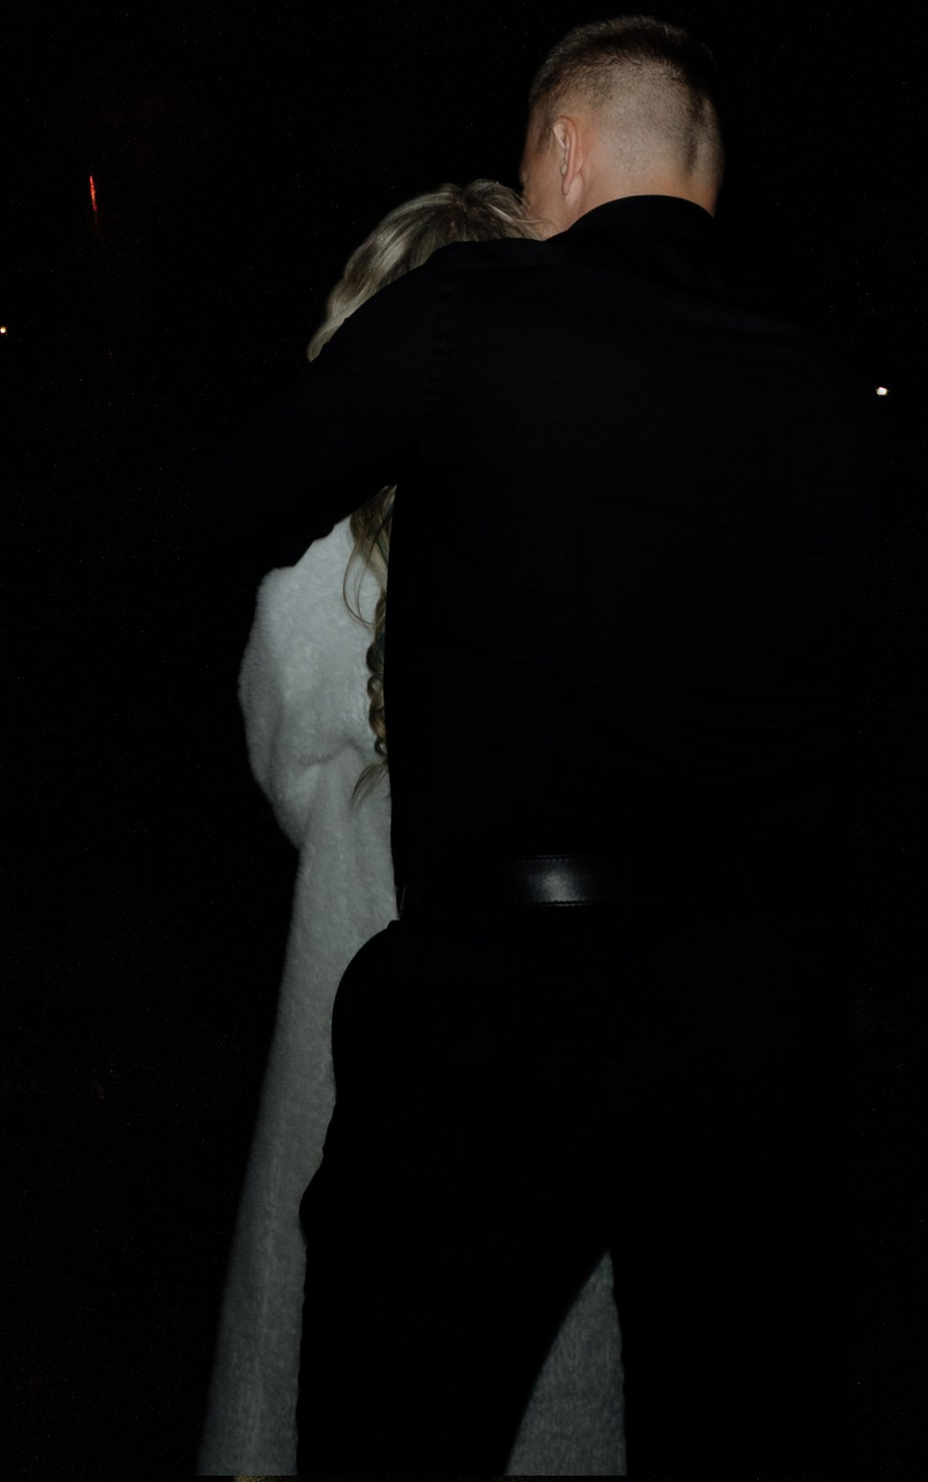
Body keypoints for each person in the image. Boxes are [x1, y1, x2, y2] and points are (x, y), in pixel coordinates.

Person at [195, 20, 884, 1478]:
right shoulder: (823, 391)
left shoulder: (479, 314)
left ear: (563, 153)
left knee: (391, 1417)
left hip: (503, 1004)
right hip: (752, 1023)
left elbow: (247, 491)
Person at [198, 185, 624, 1481]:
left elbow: (286, 760)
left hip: (359, 972)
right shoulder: (603, 542)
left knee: (335, 1344)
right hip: (560, 1000)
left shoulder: (325, 555)